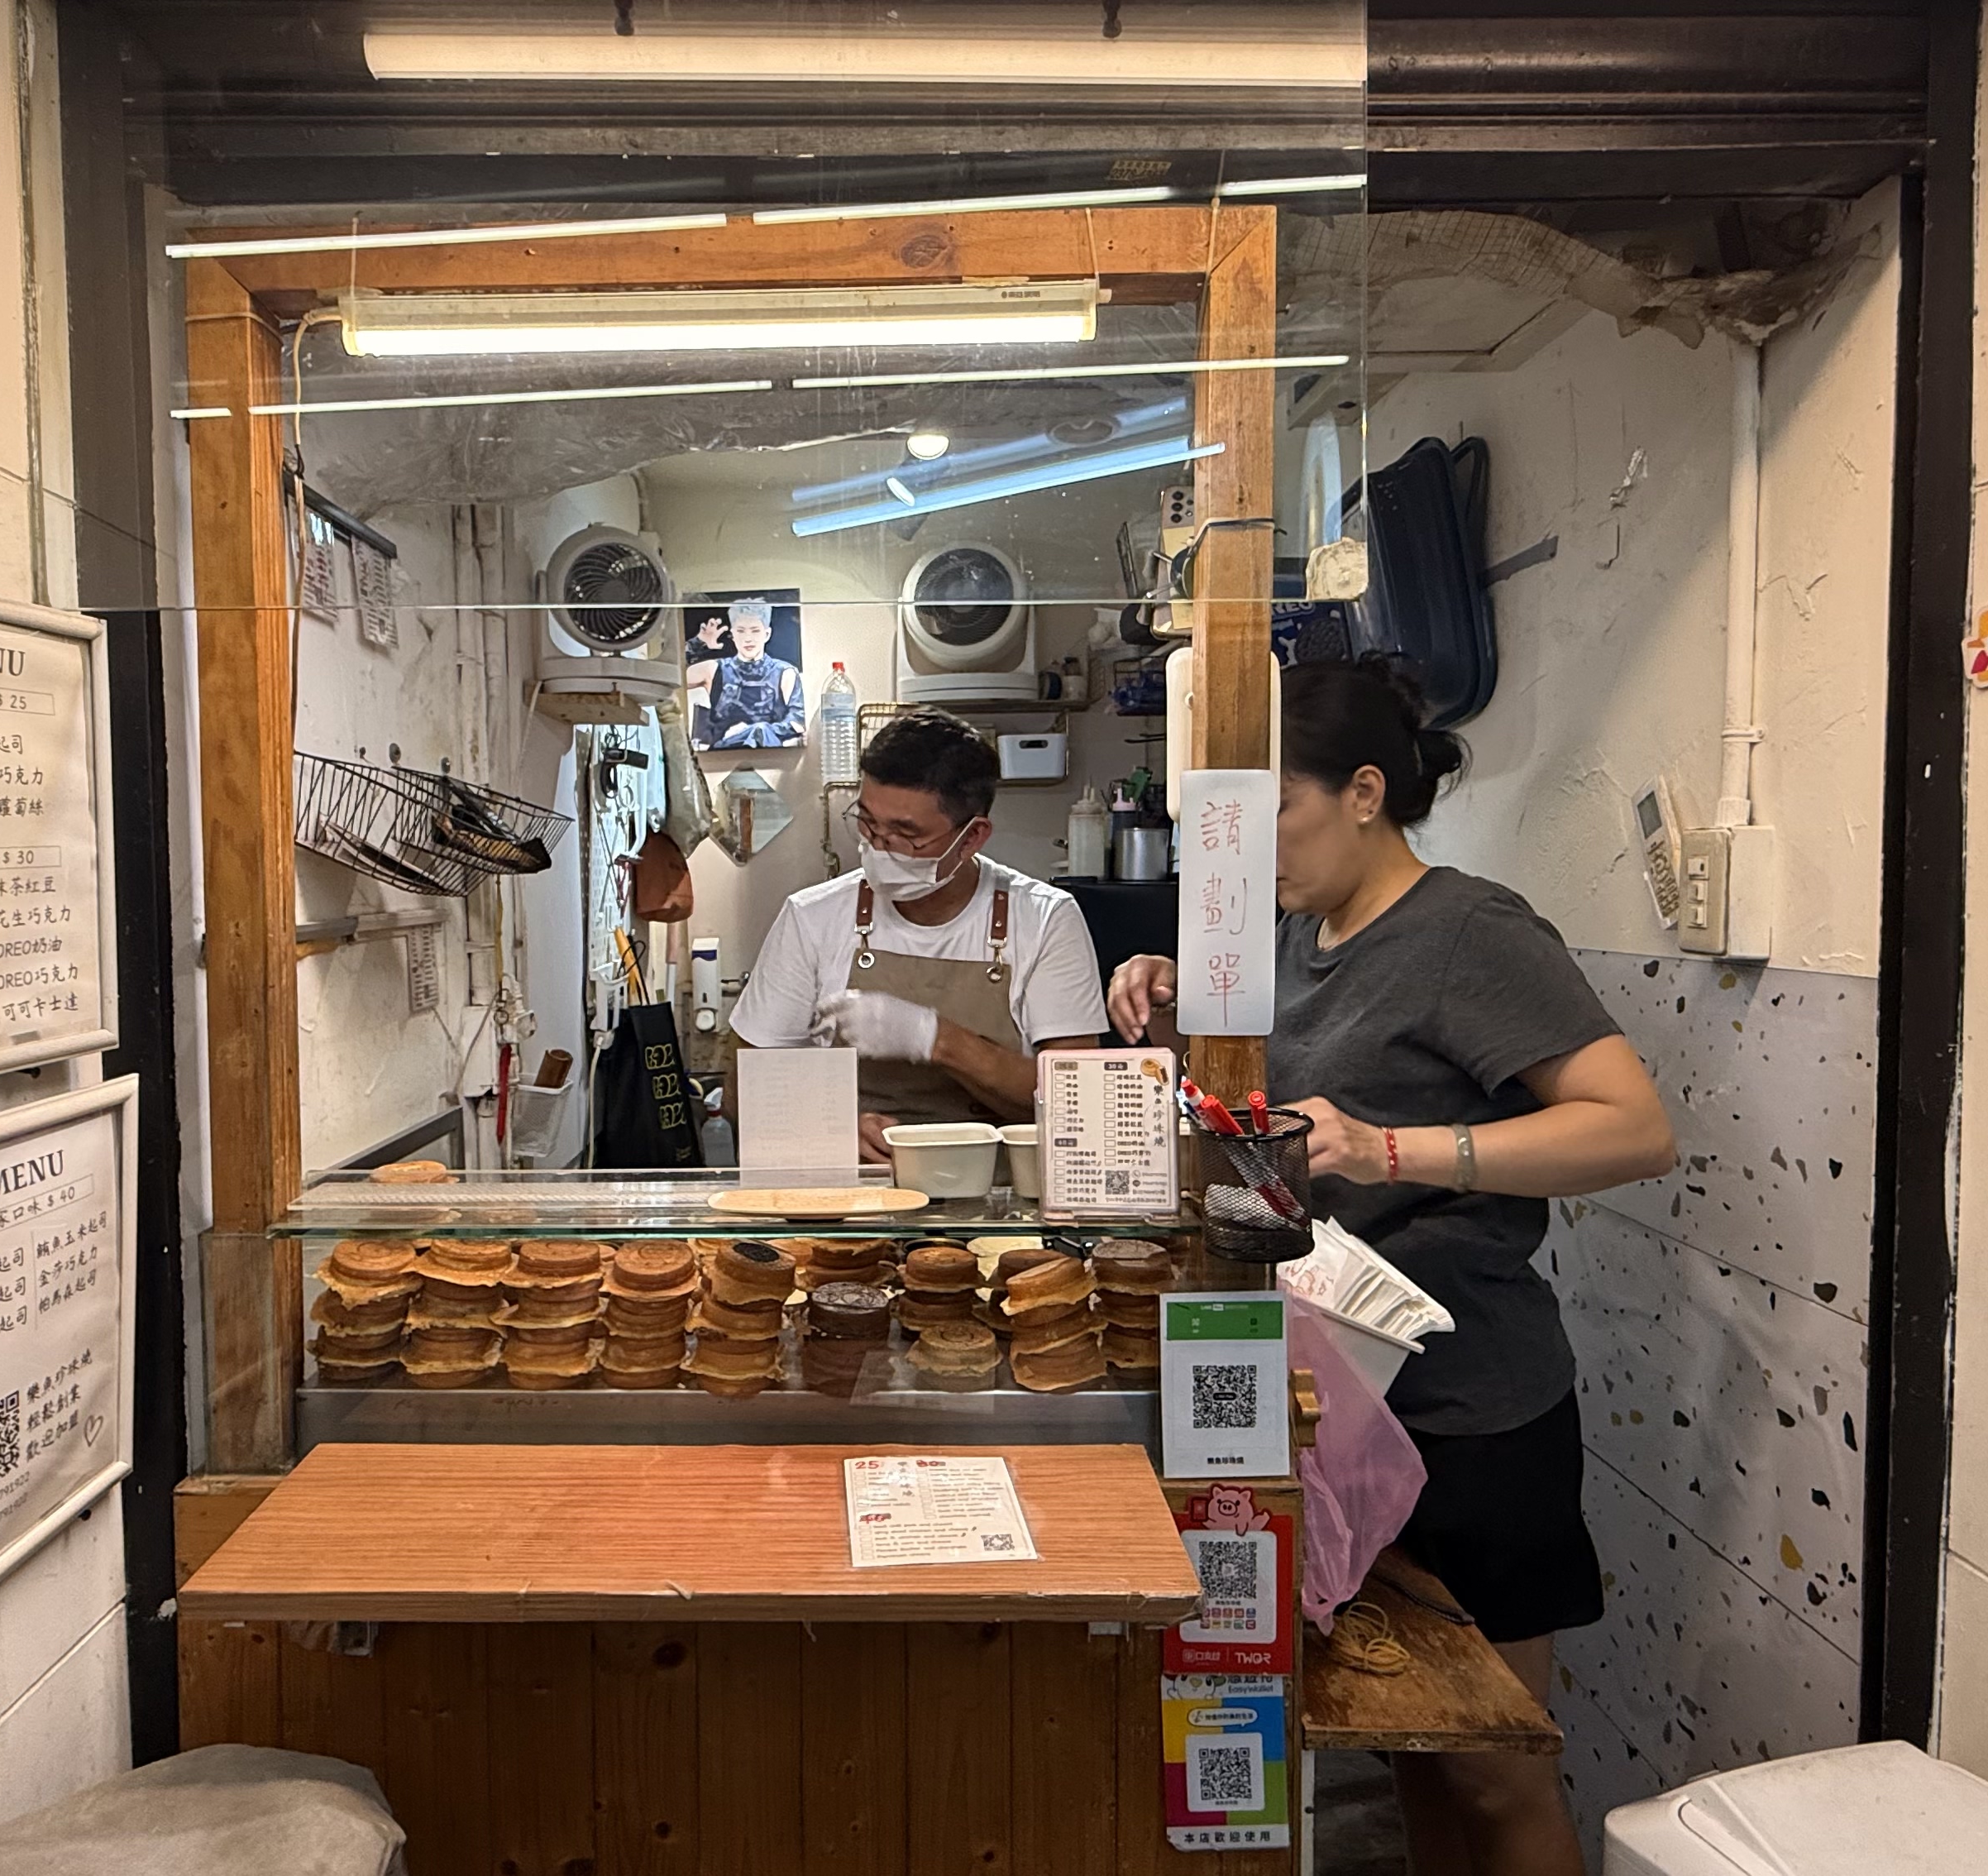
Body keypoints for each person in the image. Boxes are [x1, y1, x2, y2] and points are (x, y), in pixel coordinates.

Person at [1106, 658, 1675, 1876]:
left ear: (1365, 792)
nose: (1251, 850)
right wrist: (1172, 989)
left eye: (1276, 812)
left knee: (1496, 1767)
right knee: (1412, 1744)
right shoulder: (1297, 932)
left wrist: (1390, 1147)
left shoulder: (1469, 930)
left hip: (1470, 1410)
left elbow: (1633, 1129)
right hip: (1344, 1401)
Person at [733, 707, 1106, 1161]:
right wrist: (826, 1128)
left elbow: (1080, 1106)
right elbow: (743, 1092)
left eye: (905, 834)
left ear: (972, 837)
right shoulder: (812, 917)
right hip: (857, 1184)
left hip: (997, 1186)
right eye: (868, 822)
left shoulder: (1045, 920)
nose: (878, 846)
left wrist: (935, 1039)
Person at [685, 596, 806, 749]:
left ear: (767, 634)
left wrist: (754, 731)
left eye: (755, 631)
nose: (748, 639)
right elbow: (672, 678)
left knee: (760, 731)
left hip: (770, 753)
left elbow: (798, 722)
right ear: (733, 635)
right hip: (723, 753)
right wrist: (697, 643)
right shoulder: (714, 669)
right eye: (741, 631)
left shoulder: (785, 673)